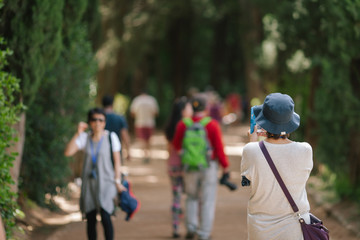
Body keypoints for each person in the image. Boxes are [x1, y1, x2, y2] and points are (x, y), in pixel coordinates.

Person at [241, 93, 313, 240]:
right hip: (295, 226)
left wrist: (252, 141)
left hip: (261, 228)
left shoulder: (251, 150)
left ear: (263, 122)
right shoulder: (306, 150)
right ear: (290, 121)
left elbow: (247, 180)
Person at [172, 95, 230, 240]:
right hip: (208, 167)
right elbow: (219, 148)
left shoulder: (183, 124)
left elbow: (176, 145)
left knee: (191, 197)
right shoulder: (212, 125)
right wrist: (225, 167)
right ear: (206, 109)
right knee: (207, 200)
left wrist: (187, 156)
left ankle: (191, 227)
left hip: (189, 167)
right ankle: (204, 233)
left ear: (192, 108)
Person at [64, 107, 126, 240]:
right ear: (89, 122)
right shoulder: (84, 138)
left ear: (104, 122)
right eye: (94, 120)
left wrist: (117, 181)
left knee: (105, 216)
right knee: (91, 219)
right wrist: (78, 133)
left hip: (107, 183)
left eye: (100, 120)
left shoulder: (111, 137)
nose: (97, 122)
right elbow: (68, 152)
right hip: (89, 184)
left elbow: (117, 162)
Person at [164, 97, 193, 239]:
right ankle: (191, 227)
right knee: (191, 197)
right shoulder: (187, 125)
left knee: (176, 197)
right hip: (187, 166)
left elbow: (170, 148)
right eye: (189, 107)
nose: (191, 110)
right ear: (183, 111)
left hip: (173, 165)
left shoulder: (170, 127)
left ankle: (175, 228)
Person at [130, 91, 159, 163]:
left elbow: (132, 113)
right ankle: (148, 155)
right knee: (149, 140)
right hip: (150, 123)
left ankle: (144, 155)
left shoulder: (137, 100)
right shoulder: (152, 100)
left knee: (142, 140)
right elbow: (156, 112)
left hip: (140, 123)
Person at [102, 95, 131, 163]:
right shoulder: (120, 118)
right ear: (112, 104)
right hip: (116, 150)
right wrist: (128, 151)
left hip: (101, 150)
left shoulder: (98, 119)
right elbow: (125, 135)